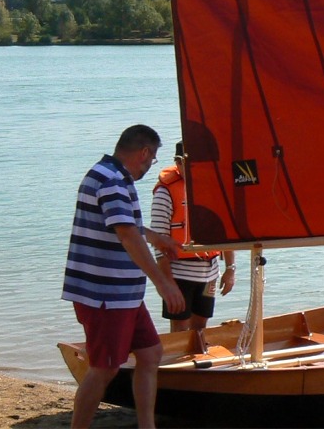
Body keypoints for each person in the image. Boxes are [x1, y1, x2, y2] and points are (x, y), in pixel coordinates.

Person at [61, 124, 186, 429]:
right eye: (152, 158)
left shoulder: (106, 173)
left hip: (122, 293)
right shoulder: (113, 181)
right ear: (144, 152)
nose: (150, 165)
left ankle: (147, 426)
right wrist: (163, 282)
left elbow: (122, 223)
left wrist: (155, 237)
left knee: (150, 353)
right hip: (105, 293)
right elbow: (127, 234)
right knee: (103, 369)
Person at [151, 155, 236, 332]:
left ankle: (200, 354)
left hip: (209, 273)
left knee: (201, 325)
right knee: (180, 328)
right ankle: (179, 359)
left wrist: (230, 268)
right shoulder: (165, 193)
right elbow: (159, 244)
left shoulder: (213, 187)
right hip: (179, 273)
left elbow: (225, 231)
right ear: (177, 162)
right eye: (184, 163)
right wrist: (167, 284)